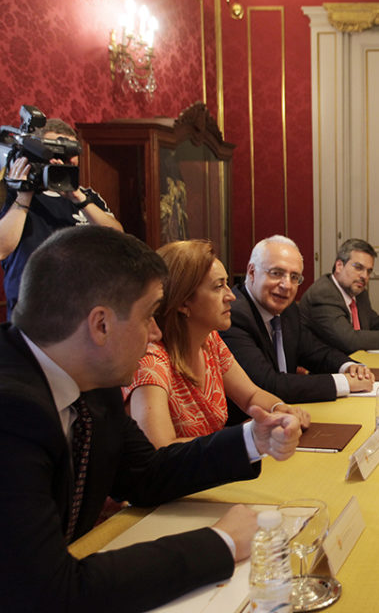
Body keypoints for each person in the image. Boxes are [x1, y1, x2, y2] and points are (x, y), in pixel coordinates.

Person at [0, 226, 302, 612]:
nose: (156, 333)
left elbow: (146, 473)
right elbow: (49, 592)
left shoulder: (94, 380)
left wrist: (252, 440)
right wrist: (220, 543)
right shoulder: (11, 412)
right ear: (101, 325)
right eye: (148, 316)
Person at [123, 240, 310, 447]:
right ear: (184, 302)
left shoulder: (209, 340)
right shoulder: (151, 362)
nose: (230, 296)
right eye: (218, 286)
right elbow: (161, 451)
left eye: (227, 284)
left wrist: (280, 409)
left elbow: (251, 396)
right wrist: (247, 439)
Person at [221, 235, 374, 402]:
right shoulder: (233, 316)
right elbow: (267, 384)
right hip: (247, 422)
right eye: (276, 273)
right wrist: (344, 383)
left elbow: (316, 351)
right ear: (252, 272)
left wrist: (350, 367)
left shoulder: (288, 309)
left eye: (294, 277)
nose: (286, 285)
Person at [0, 118, 123, 319]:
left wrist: (78, 198)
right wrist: (24, 194)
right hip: (33, 318)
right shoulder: (10, 194)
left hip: (85, 316)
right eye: (54, 152)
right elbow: (2, 249)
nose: (62, 160)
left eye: (70, 153)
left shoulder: (88, 197)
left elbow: (119, 241)